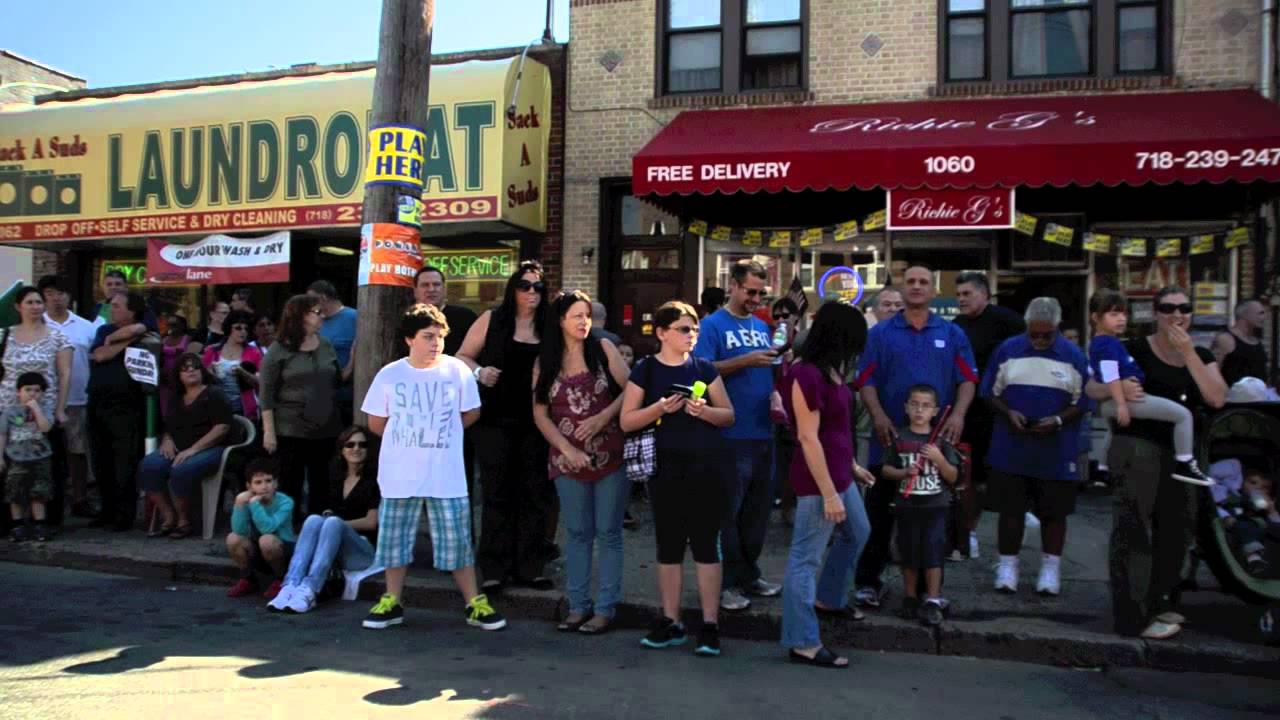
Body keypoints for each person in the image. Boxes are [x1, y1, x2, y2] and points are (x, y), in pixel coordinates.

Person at [360, 304, 507, 631]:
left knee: (457, 543)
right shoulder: (390, 374)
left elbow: (471, 414)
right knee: (394, 543)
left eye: (440, 336)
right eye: (428, 336)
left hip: (446, 475)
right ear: (410, 338)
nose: (436, 343)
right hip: (400, 476)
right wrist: (410, 440)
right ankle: (392, 601)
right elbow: (375, 422)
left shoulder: (457, 371)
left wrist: (439, 435)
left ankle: (474, 603)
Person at [1095, 286, 1227, 640]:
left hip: (1183, 452)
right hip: (1138, 444)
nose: (1176, 314)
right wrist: (1115, 387)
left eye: (1184, 308)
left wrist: (1188, 352)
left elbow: (1216, 397)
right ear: (1155, 313)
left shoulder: (1199, 353)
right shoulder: (1133, 348)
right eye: (1168, 308)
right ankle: (1131, 614)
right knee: (1133, 526)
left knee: (1178, 529)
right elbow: (1091, 387)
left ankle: (1161, 601)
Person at [852, 266, 977, 608]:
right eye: (911, 282)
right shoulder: (881, 334)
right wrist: (877, 415)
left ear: (934, 290)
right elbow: (866, 380)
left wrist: (959, 414)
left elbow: (968, 379)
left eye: (924, 282)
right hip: (890, 441)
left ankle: (926, 592)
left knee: (931, 522)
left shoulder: (952, 334)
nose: (917, 287)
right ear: (902, 289)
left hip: (935, 443)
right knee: (878, 515)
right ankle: (868, 582)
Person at [621, 301, 735, 656]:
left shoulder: (704, 368)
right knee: (668, 546)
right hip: (664, 471)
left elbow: (728, 415)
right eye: (685, 329)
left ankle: (710, 624)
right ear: (662, 333)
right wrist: (659, 408)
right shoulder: (646, 370)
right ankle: (671, 621)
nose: (692, 336)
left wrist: (704, 412)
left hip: (706, 469)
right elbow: (626, 421)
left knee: (706, 544)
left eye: (695, 329)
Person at [779, 301, 874, 668]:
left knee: (857, 532)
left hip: (838, 472)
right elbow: (807, 437)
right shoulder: (805, 375)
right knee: (805, 558)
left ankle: (829, 598)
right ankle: (802, 641)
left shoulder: (832, 370)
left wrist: (851, 466)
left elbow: (834, 429)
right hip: (817, 481)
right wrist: (829, 493)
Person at [533, 291, 630, 634]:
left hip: (610, 454)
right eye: (576, 315)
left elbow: (632, 390)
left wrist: (604, 416)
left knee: (609, 533)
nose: (583, 321)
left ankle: (605, 608)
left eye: (587, 315)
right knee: (577, 533)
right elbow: (540, 414)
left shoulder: (604, 350)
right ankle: (577, 606)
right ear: (560, 320)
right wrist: (566, 450)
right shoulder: (545, 360)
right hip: (566, 459)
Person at [982, 297, 1092, 597]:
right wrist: (1009, 412)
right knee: (1011, 511)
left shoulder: (1073, 355)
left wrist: (1057, 419)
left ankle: (1050, 568)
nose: (1040, 340)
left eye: (1047, 334)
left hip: (1056, 446)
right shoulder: (1008, 349)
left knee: (1054, 513)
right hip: (1011, 445)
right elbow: (989, 392)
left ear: (1058, 328)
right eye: (1034, 334)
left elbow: (1083, 401)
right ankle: (1007, 566)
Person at [457, 260, 554, 591]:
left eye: (538, 288)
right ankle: (494, 568)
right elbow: (463, 355)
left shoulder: (549, 324)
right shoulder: (492, 319)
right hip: (494, 417)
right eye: (524, 286)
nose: (532, 293)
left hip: (537, 419)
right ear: (513, 289)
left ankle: (530, 566)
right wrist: (479, 372)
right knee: (497, 491)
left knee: (534, 492)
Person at [694, 260, 782, 611]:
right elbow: (699, 370)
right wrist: (744, 361)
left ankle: (748, 574)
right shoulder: (712, 326)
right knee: (726, 514)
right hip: (729, 434)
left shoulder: (763, 325)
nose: (755, 298)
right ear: (732, 286)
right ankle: (724, 584)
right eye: (750, 291)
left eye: (761, 293)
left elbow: (768, 370)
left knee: (757, 514)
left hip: (763, 431)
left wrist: (776, 393)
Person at [1088, 289, 1211, 486]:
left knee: (1112, 431)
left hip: (1125, 401)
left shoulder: (1109, 342)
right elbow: (1108, 376)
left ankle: (1102, 470)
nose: (1121, 319)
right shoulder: (1107, 345)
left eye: (1123, 314)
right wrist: (1120, 402)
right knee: (1182, 415)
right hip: (1128, 401)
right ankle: (1185, 462)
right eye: (1113, 314)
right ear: (1096, 317)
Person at [952, 271, 1026, 560]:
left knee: (997, 476)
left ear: (984, 293)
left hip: (1002, 409)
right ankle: (967, 533)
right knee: (967, 477)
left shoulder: (1008, 321)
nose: (961, 299)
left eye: (966, 294)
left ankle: (1018, 517)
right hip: (967, 410)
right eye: (958, 295)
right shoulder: (956, 326)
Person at [268, 426, 381, 614]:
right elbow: (328, 510)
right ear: (342, 450)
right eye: (350, 444)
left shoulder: (374, 480)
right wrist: (328, 518)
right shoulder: (336, 477)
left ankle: (311, 589)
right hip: (332, 546)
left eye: (363, 445)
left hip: (362, 549)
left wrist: (334, 523)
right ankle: (290, 584)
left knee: (332, 522)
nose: (356, 449)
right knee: (313, 519)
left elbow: (371, 522)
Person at [881, 384, 963, 625]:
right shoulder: (900, 438)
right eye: (915, 404)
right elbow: (886, 470)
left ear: (935, 411)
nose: (919, 410)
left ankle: (933, 599)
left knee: (933, 553)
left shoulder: (940, 442)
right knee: (909, 552)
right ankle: (910, 596)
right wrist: (904, 472)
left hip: (936, 507)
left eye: (926, 406)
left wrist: (938, 459)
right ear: (906, 407)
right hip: (907, 506)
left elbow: (953, 476)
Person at [260, 295, 343, 524]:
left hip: (326, 426)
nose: (321, 316)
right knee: (291, 481)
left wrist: (355, 358)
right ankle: (290, 529)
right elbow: (266, 394)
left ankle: (318, 526)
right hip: (290, 428)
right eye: (316, 312)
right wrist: (269, 432)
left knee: (322, 481)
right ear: (300, 316)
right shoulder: (278, 350)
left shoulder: (325, 345)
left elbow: (337, 379)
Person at [137, 353, 233, 539]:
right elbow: (169, 427)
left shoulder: (214, 393)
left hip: (211, 447)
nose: (191, 370)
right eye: (185, 368)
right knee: (149, 466)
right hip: (180, 446)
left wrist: (193, 449)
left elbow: (222, 428)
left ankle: (184, 520)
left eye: (195, 366)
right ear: (178, 375)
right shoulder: (176, 398)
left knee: (181, 469)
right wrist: (167, 440)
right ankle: (168, 516)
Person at [88, 292, 155, 531]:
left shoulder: (147, 330)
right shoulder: (104, 331)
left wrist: (126, 337)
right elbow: (100, 353)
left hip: (126, 406)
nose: (112, 310)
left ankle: (123, 514)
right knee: (101, 460)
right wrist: (124, 339)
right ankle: (106, 510)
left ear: (132, 311)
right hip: (98, 403)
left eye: (117, 306)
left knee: (124, 462)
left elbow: (140, 331)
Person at [38, 275, 98, 519]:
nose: (56, 298)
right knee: (44, 453)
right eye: (51, 293)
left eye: (61, 293)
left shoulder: (86, 327)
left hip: (78, 399)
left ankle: (80, 499)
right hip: (43, 402)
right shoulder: (35, 324)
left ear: (69, 296)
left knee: (78, 452)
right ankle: (45, 501)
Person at [226, 458, 296, 600]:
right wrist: (239, 504)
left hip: (282, 550)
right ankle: (248, 579)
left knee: (267, 540)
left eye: (268, 481)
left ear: (276, 483)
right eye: (258, 482)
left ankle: (280, 579)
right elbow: (240, 530)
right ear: (249, 486)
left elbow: (267, 528)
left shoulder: (286, 502)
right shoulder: (247, 500)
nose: (264, 487)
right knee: (233, 538)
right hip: (258, 550)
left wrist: (255, 505)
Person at [2, 372, 55, 541]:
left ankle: (40, 524)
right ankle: (17, 526)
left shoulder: (45, 410)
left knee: (39, 493)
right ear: (19, 392)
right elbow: (2, 434)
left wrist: (36, 410)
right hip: (17, 459)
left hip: (40, 459)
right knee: (15, 493)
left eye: (37, 390)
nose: (32, 394)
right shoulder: (10, 412)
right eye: (28, 390)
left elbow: (46, 428)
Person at [307, 280, 357, 423]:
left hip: (349, 397)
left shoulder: (355, 317)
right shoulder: (316, 322)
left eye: (312, 299)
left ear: (323, 298)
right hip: (321, 397)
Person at [201, 310, 263, 420]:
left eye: (246, 329)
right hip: (216, 407)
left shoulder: (254, 352)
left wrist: (243, 373)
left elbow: (262, 383)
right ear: (229, 328)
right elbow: (201, 381)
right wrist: (210, 374)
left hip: (245, 409)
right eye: (238, 328)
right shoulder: (212, 351)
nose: (243, 332)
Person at [1220, 469, 1279, 576]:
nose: (1258, 488)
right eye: (1252, 483)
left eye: (1265, 487)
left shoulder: (1268, 507)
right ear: (1241, 484)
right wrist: (1226, 517)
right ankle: (1253, 558)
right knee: (1244, 526)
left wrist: (1272, 511)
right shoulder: (1234, 500)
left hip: (1264, 536)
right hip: (1237, 533)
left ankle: (1255, 560)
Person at [414, 266, 478, 357]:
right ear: (415, 291)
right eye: (425, 285)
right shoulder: (409, 321)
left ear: (444, 288)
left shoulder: (466, 317)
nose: (431, 289)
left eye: (436, 284)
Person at [1212, 299, 1268, 387]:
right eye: (1260, 313)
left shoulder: (1257, 342)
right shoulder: (1226, 339)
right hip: (1233, 398)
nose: (1264, 317)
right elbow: (1212, 373)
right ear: (1245, 315)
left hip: (1259, 398)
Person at [158, 314, 201, 421]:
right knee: (166, 411)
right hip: (165, 382)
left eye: (174, 324)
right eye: (169, 324)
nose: (171, 327)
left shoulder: (188, 339)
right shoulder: (163, 340)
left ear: (182, 326)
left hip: (181, 380)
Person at [90, 269, 159, 331]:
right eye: (109, 284)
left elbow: (148, 327)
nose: (113, 287)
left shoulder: (138, 306)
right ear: (103, 288)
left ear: (126, 287)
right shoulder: (98, 308)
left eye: (118, 284)